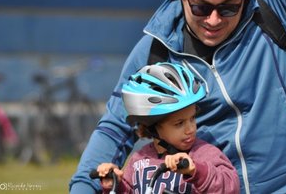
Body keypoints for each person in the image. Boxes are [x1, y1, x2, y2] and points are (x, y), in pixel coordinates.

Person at [70, 0, 286, 193]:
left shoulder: (272, 4)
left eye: (229, 7)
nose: (214, 20)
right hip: (216, 187)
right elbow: (116, 128)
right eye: (201, 8)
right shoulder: (156, 49)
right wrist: (84, 186)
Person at [96, 62, 239, 194]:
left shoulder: (204, 154)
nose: (190, 129)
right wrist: (115, 185)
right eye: (179, 123)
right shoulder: (139, 159)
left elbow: (230, 187)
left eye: (193, 118)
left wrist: (195, 170)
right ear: (152, 125)